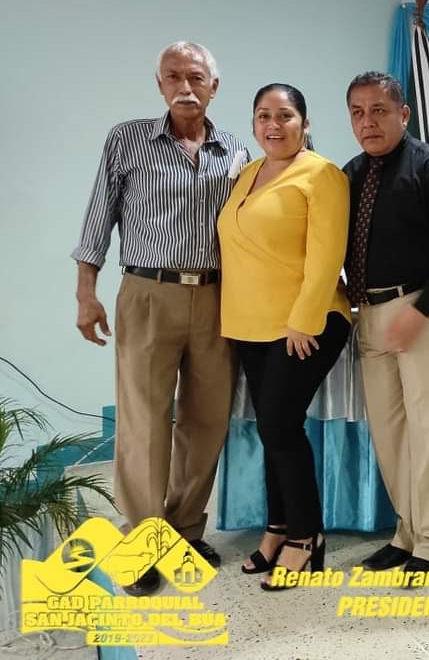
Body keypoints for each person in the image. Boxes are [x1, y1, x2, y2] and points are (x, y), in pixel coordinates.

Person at [72, 41, 246, 594]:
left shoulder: (237, 151)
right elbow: (98, 215)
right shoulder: (127, 139)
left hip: (218, 296)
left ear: (214, 86)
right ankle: (145, 541)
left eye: (195, 76)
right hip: (148, 291)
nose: (184, 86)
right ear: (159, 85)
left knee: (207, 419)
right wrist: (86, 293)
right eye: (173, 77)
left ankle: (186, 529)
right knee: (145, 420)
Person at [217, 83, 351, 592]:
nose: (273, 125)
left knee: (279, 426)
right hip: (251, 324)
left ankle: (306, 535)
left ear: (305, 123)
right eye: (263, 116)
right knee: (272, 427)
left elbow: (327, 254)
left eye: (285, 115)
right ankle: (277, 526)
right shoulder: (248, 172)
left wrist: (304, 319)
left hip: (306, 322)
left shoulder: (322, 174)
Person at [342, 71, 429, 579]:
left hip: (422, 311)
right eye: (357, 112)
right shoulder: (351, 174)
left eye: (378, 110)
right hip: (369, 315)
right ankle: (406, 532)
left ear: (404, 113)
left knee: (428, 432)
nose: (368, 122)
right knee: (390, 434)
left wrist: (420, 312)